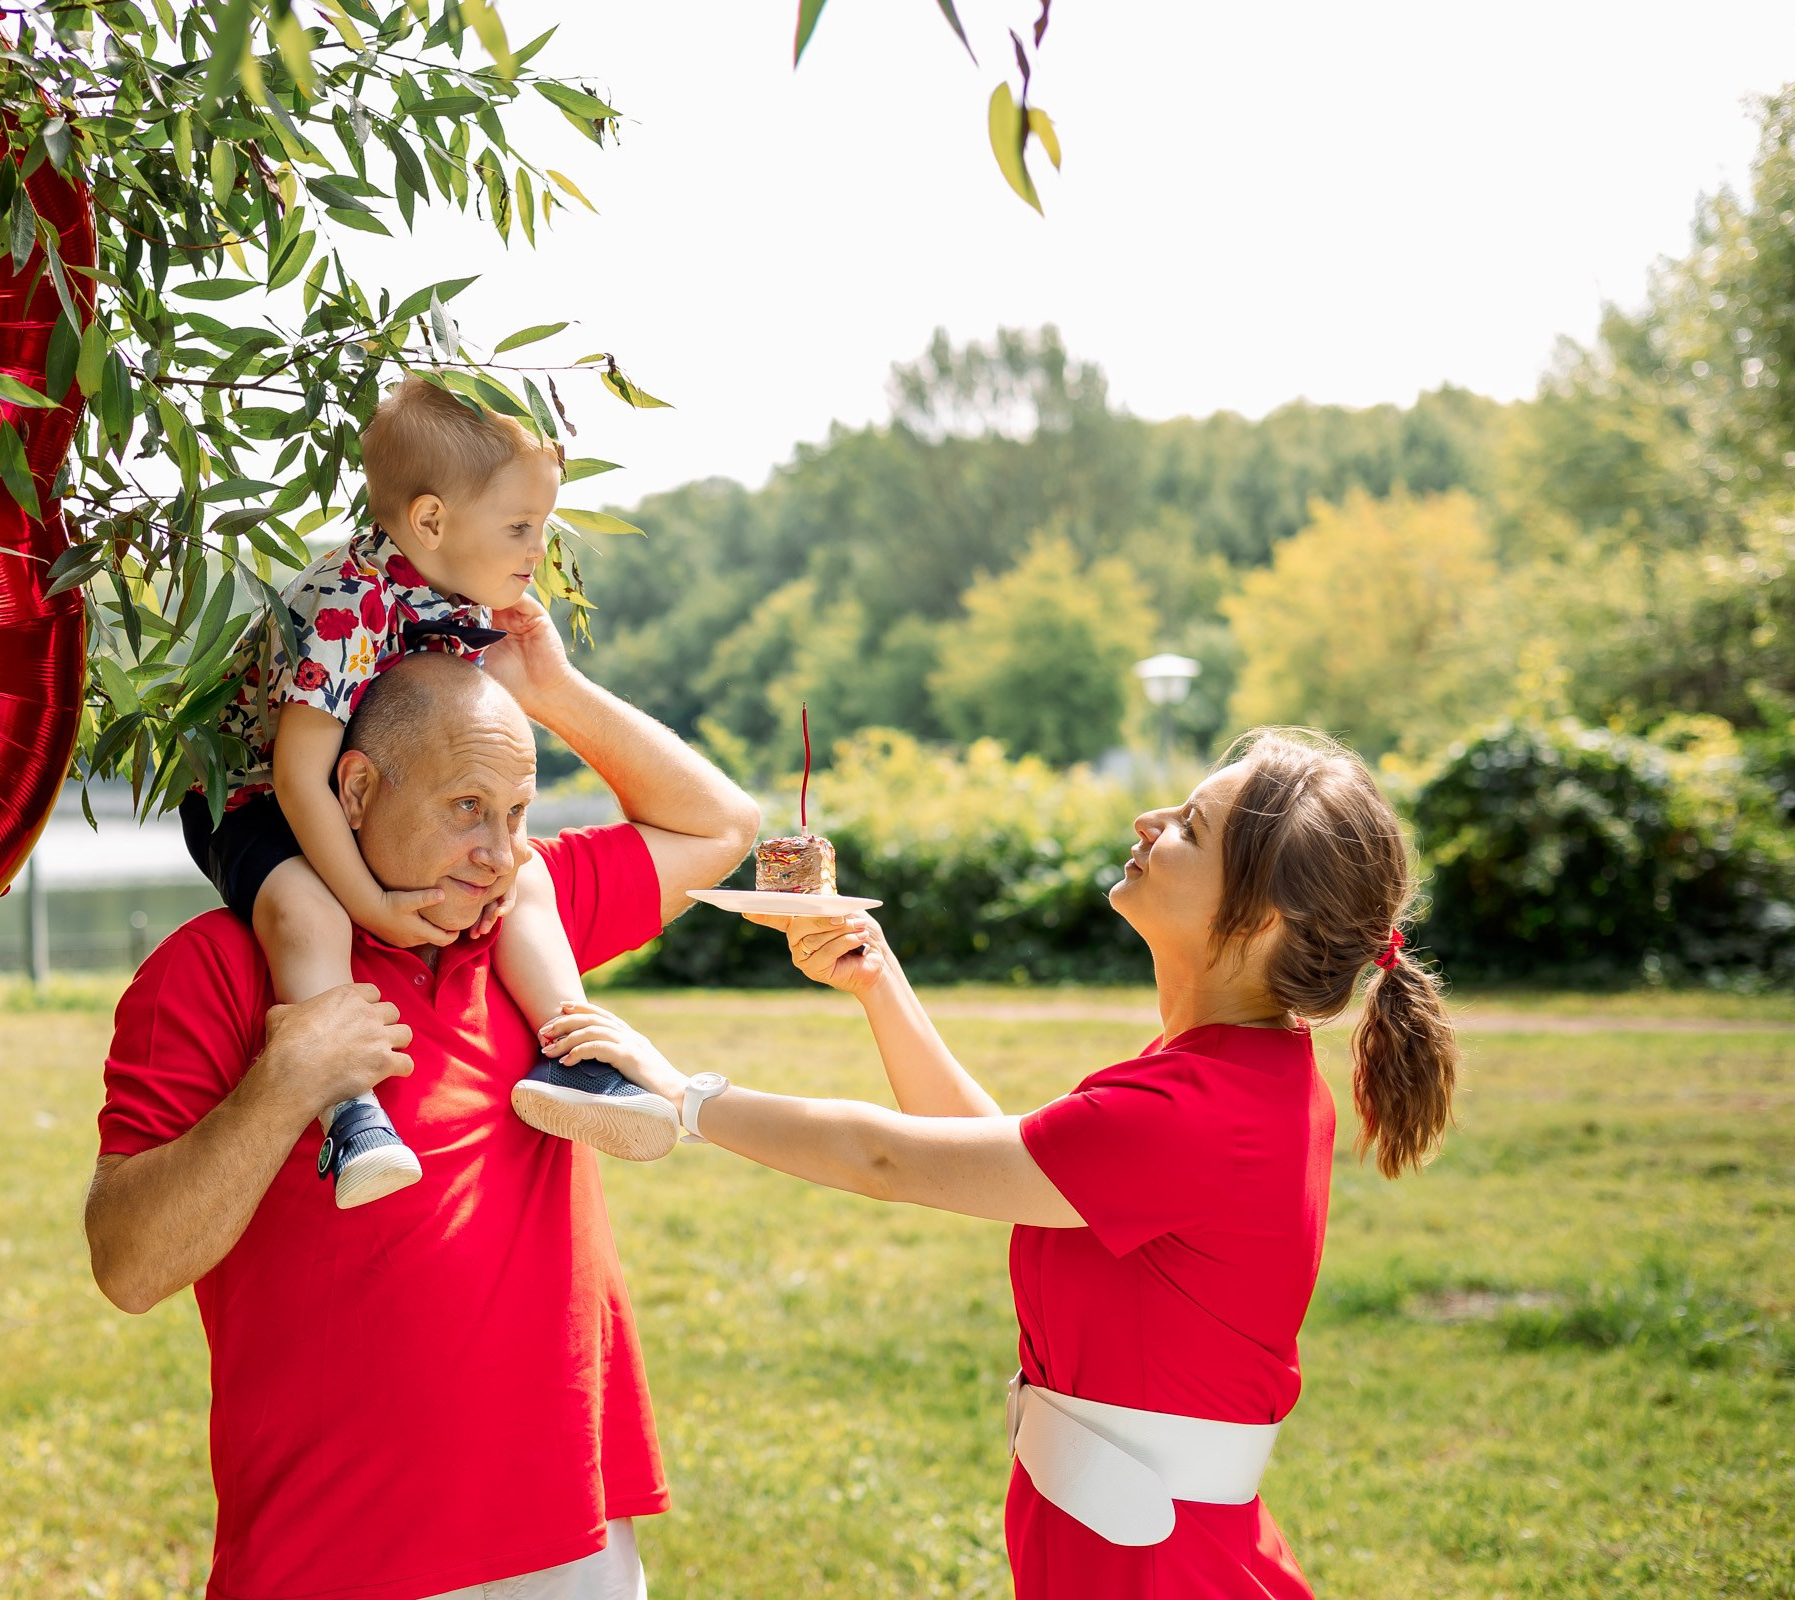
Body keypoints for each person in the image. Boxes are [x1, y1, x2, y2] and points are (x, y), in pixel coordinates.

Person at [542, 728, 1461, 1599]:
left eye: (1191, 827)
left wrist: (686, 1097)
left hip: (1158, 1569)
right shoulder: (1230, 1076)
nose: (1148, 822)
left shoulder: (1197, 1113)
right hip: (1130, 1545)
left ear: (1259, 918)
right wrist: (879, 981)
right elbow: (1001, 1164)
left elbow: (890, 1160)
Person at [89, 627, 761, 1600]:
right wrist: (284, 1085)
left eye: (519, 812)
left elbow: (721, 827)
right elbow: (129, 1265)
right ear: (356, 791)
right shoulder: (215, 967)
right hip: (335, 1558)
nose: (500, 854)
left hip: (573, 1540)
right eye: (465, 809)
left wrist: (551, 684)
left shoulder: (529, 928)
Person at [180, 378, 678, 1210]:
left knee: (525, 877)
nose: (538, 549)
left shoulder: (454, 594)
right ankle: (350, 1114)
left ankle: (575, 1057)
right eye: (519, 527)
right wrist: (373, 905)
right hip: (249, 794)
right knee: (308, 912)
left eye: (543, 527)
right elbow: (300, 777)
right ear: (432, 521)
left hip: (357, 788)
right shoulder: (350, 602)